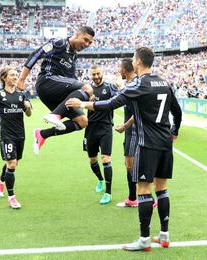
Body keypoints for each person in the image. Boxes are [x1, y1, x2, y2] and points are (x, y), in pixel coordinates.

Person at [66, 47, 182, 252]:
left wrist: (82, 103)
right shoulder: (164, 82)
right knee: (162, 189)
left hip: (147, 143)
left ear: (137, 61)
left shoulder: (139, 83)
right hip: (165, 142)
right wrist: (175, 130)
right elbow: (177, 111)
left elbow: (111, 103)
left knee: (144, 190)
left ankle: (144, 240)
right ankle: (164, 235)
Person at [16, 26, 95, 155]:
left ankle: (42, 134)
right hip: (46, 82)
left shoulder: (73, 56)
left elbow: (71, 79)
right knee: (87, 88)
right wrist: (22, 79)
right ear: (77, 34)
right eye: (85, 40)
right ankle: (55, 115)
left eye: (90, 43)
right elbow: (36, 54)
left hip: (57, 93)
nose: (87, 44)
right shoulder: (59, 43)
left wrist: (85, 97)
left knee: (82, 121)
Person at [0, 67, 32, 209]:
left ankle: (0, 180)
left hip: (20, 134)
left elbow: (28, 114)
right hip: (6, 135)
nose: (15, 77)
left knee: (14, 163)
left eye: (16, 74)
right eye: (12, 75)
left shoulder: (21, 94)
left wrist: (27, 107)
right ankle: (12, 198)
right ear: (4, 78)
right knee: (11, 164)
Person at [84, 64, 119, 204]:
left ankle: (108, 193)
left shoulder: (110, 87)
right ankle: (100, 179)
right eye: (94, 74)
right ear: (90, 75)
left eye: (98, 73)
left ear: (102, 73)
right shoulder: (86, 90)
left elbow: (117, 100)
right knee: (92, 159)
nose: (96, 77)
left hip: (105, 127)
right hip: (90, 128)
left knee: (106, 159)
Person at [114, 58, 139, 208]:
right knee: (129, 165)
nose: (119, 71)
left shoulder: (135, 85)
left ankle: (145, 197)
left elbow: (139, 112)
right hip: (130, 132)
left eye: (120, 68)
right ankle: (133, 198)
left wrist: (124, 126)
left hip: (134, 132)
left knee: (132, 166)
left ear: (124, 69)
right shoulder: (131, 85)